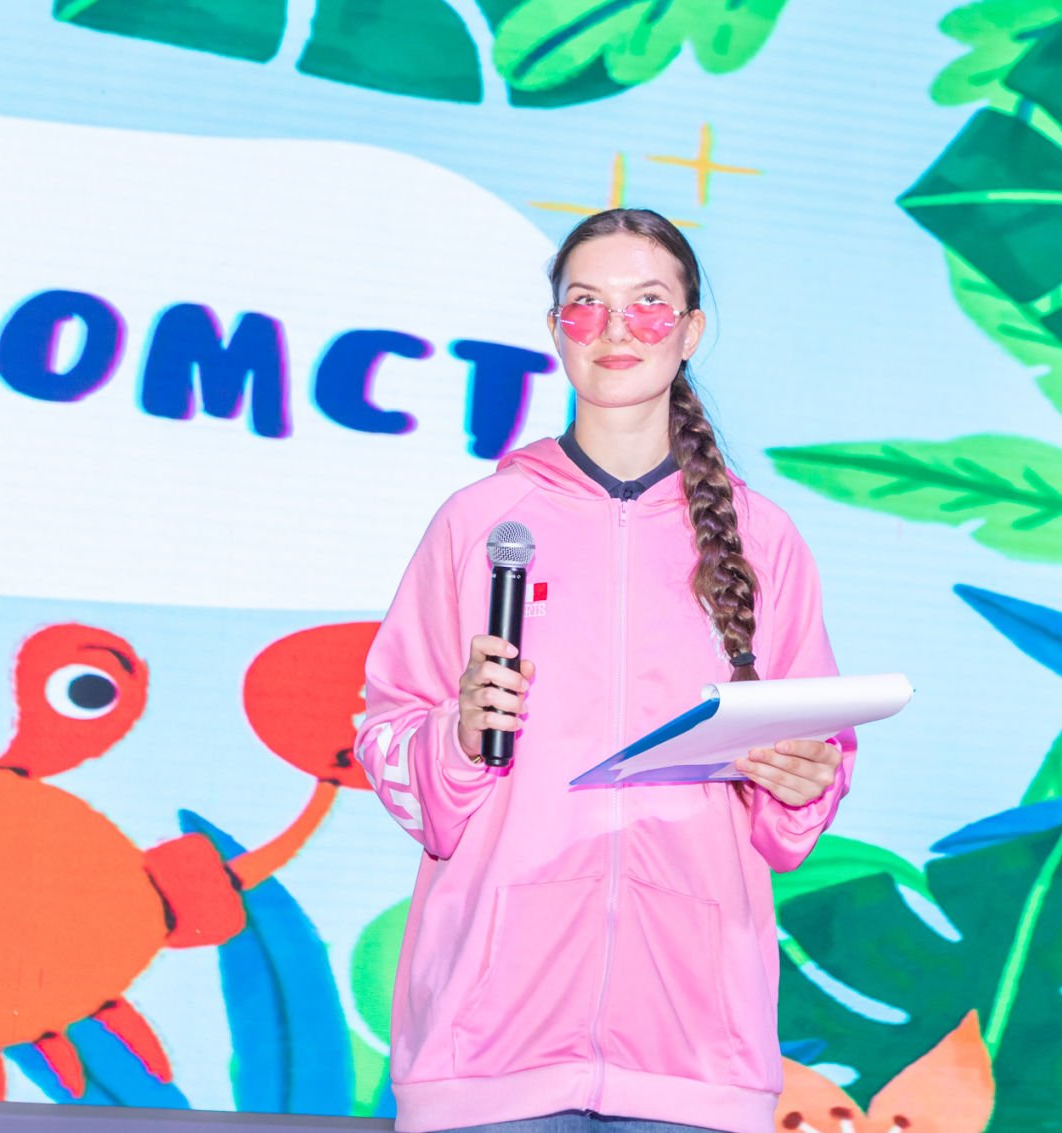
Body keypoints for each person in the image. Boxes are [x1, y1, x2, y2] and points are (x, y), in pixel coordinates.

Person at [354, 208, 856, 1133]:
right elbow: (388, 736)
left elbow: (807, 779)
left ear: (690, 330)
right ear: (556, 331)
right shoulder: (479, 521)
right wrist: (455, 735)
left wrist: (803, 776)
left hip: (695, 1052)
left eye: (649, 304)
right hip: (490, 1048)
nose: (615, 329)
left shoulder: (764, 539)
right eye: (585, 304)